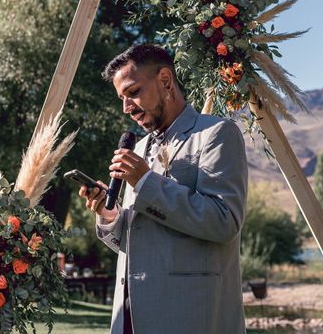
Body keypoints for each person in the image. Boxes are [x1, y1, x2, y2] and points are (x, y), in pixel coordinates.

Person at [79, 44, 248, 334]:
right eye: (122, 98)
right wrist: (110, 216)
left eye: (133, 92)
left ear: (165, 81)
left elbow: (224, 221)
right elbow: (141, 239)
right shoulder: (139, 149)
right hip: (130, 318)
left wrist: (145, 182)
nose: (126, 107)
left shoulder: (216, 134)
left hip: (190, 317)